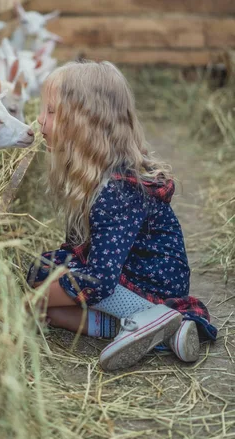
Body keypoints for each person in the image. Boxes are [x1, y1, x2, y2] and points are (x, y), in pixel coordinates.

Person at [27, 61, 217, 372]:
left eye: (50, 111)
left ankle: (151, 316)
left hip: (150, 285)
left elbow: (97, 280)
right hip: (126, 272)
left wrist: (30, 302)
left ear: (85, 123)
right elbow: (78, 250)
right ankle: (156, 334)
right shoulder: (90, 178)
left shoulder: (115, 191)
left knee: (43, 291)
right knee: (48, 295)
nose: (39, 120)